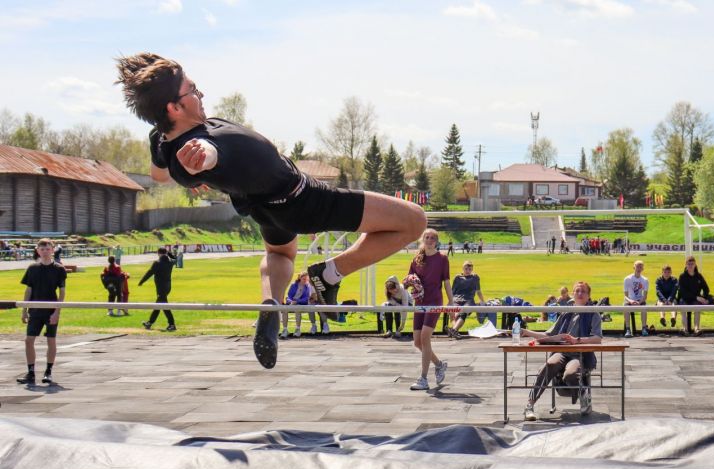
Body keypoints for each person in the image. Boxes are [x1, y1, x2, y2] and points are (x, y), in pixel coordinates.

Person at [115, 53, 425, 369]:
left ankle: (271, 303)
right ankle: (329, 274)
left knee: (281, 256)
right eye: (193, 90)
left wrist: (187, 169)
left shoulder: (162, 137)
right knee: (414, 221)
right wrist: (200, 162)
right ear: (174, 108)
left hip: (265, 210)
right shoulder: (199, 143)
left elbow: (158, 175)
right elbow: (209, 153)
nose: (201, 93)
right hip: (305, 200)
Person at [521, 281, 603, 421]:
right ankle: (530, 405)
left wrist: (577, 340)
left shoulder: (593, 313)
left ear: (589, 296)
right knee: (549, 366)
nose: (580, 293)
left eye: (583, 291)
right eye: (577, 291)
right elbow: (549, 335)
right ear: (573, 294)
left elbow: (597, 338)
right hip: (562, 352)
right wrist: (527, 332)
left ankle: (584, 396)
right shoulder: (566, 312)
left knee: (570, 375)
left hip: (581, 354)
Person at [405, 228, 451, 390]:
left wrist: (451, 304)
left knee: (425, 337)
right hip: (420, 302)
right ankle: (439, 364)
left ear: (436, 241)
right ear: (422, 240)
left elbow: (446, 282)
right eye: (427, 237)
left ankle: (423, 379)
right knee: (417, 342)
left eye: (433, 238)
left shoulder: (442, 259)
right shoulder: (416, 259)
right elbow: (409, 279)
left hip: (434, 301)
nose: (430, 240)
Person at [17, 238, 66, 385]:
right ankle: (31, 372)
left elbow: (62, 292)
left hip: (50, 310)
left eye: (47, 249)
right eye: (42, 249)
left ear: (52, 250)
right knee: (28, 340)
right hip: (35, 310)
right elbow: (28, 289)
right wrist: (24, 310)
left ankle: (48, 372)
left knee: (51, 340)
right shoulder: (32, 268)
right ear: (38, 250)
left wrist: (57, 312)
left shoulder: (59, 269)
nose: (45, 252)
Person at [139, 247, 177, 331]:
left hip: (161, 288)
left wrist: (142, 281)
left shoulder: (157, 262)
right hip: (168, 287)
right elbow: (176, 259)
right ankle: (149, 323)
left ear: (158, 253)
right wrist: (170, 253)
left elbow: (149, 273)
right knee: (158, 305)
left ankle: (172, 324)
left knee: (164, 306)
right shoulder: (170, 261)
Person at [447, 260, 485, 338]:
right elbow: (452, 291)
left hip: (468, 300)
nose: (467, 271)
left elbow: (478, 291)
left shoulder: (475, 277)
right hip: (456, 299)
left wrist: (482, 301)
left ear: (472, 269)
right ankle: (455, 330)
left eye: (469, 269)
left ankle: (453, 330)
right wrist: (449, 302)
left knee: (463, 312)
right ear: (462, 268)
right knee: (453, 312)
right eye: (466, 269)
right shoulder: (457, 278)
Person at [281, 272, 324, 338]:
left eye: (306, 279)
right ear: (300, 278)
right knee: (284, 311)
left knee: (297, 310)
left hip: (300, 304)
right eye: (304, 279)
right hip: (291, 303)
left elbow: (306, 298)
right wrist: (291, 301)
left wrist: (297, 301)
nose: (305, 281)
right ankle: (285, 329)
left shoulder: (307, 287)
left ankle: (298, 329)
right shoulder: (293, 285)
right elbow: (289, 296)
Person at [676, 256, 711, 335]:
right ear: (686, 265)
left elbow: (706, 289)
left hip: (696, 300)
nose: (690, 266)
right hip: (684, 298)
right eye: (689, 264)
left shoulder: (699, 276)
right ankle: (685, 329)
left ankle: (696, 329)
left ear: (695, 265)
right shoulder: (682, 277)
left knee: (697, 308)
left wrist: (703, 298)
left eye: (692, 264)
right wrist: (696, 297)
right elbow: (683, 292)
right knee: (683, 309)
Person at [623, 260, 650, 337]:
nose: (639, 268)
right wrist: (631, 301)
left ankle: (644, 328)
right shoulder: (627, 279)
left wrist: (640, 302)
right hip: (629, 299)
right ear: (633, 267)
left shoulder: (645, 280)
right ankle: (628, 329)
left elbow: (645, 296)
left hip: (640, 300)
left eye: (641, 267)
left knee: (644, 308)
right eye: (637, 266)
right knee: (625, 307)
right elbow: (625, 296)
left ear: (643, 269)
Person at [655, 264, 678, 329]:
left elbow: (674, 291)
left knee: (673, 304)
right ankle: (662, 318)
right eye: (665, 272)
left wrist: (670, 300)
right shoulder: (658, 280)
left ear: (671, 272)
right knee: (660, 304)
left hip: (672, 298)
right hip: (662, 298)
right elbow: (658, 292)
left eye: (668, 272)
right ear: (662, 272)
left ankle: (673, 318)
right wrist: (664, 300)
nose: (667, 274)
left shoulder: (674, 280)